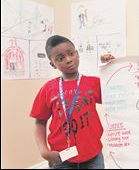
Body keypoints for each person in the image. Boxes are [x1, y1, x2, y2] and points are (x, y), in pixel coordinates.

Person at [29, 35, 114, 169]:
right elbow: (40, 121)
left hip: (93, 155)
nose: (68, 60)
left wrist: (110, 68)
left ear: (77, 54)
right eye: (60, 58)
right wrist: (44, 151)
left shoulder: (93, 83)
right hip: (61, 158)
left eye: (71, 54)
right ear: (53, 64)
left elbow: (116, 94)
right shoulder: (48, 88)